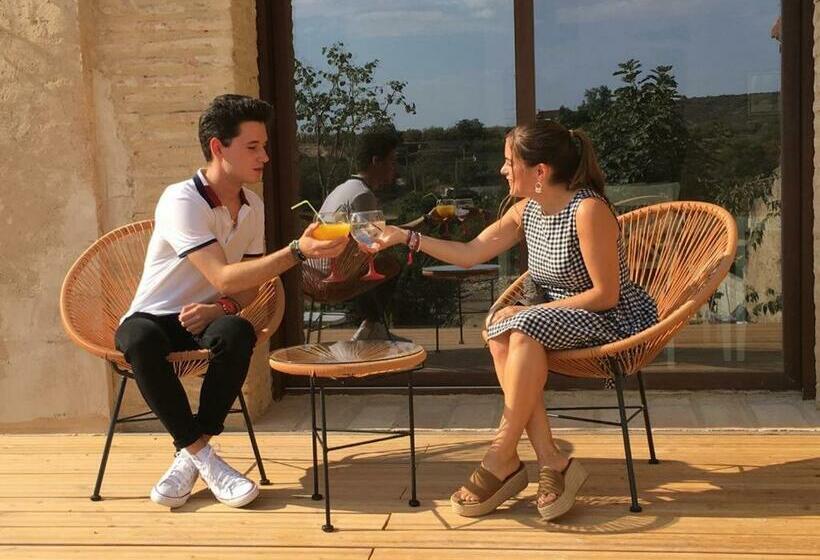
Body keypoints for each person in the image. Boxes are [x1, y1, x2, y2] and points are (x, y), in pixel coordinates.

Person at [370, 119, 658, 520]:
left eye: (509, 161)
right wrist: (406, 237)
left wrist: (529, 312)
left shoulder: (588, 209)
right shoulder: (527, 211)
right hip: (554, 318)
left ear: (539, 171)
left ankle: (501, 455)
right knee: (503, 332)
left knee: (520, 327)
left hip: (609, 319)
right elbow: (470, 253)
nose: (502, 169)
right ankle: (551, 459)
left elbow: (605, 295)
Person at [115, 94, 347, 509]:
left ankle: (191, 453)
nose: (265, 157)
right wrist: (297, 250)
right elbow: (223, 276)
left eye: (265, 146)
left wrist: (220, 309)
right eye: (252, 147)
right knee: (139, 340)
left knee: (238, 331)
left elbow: (245, 286)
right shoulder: (182, 199)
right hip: (153, 317)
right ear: (218, 148)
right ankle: (203, 456)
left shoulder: (252, 206)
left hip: (207, 316)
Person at [316, 127, 406, 341]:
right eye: (392, 162)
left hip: (313, 273)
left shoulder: (344, 188)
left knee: (372, 261)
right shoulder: (363, 195)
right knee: (389, 263)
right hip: (334, 273)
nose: (394, 169)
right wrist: (414, 234)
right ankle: (372, 327)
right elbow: (375, 240)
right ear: (376, 161)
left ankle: (372, 327)